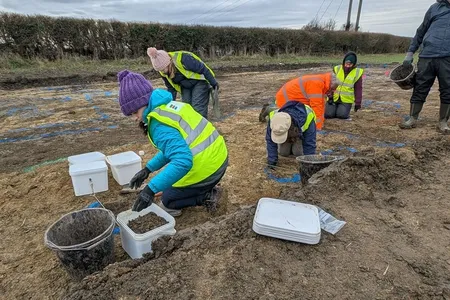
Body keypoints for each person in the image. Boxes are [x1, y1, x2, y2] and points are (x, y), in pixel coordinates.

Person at [117, 70, 228, 216]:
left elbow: (182, 161)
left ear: (143, 102)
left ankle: (207, 196)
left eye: (134, 112)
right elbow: (171, 149)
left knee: (168, 200)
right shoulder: (166, 107)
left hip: (208, 168)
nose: (134, 118)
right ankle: (202, 188)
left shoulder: (158, 125)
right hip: (217, 157)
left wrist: (150, 190)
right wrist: (148, 170)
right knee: (168, 183)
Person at [400, 0, 450, 134]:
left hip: (448, 58)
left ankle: (443, 121)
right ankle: (413, 118)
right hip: (427, 55)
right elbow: (421, 31)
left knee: (448, 89)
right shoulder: (435, 8)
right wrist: (410, 53)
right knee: (420, 86)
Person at [147, 47, 219, 119]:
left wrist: (214, 83)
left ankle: (202, 128)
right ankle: (191, 129)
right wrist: (170, 104)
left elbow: (203, 69)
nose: (162, 72)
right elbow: (171, 88)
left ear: (169, 63)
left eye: (163, 69)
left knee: (198, 108)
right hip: (184, 86)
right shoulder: (163, 72)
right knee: (186, 108)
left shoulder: (184, 59)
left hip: (199, 81)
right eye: (160, 70)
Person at [266, 101, 317, 169]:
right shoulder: (274, 119)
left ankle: (295, 142)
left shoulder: (308, 117)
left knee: (297, 152)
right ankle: (288, 142)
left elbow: (309, 142)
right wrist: (272, 161)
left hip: (301, 135)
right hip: (290, 131)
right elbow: (270, 140)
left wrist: (309, 163)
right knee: (283, 153)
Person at [325, 52, 364, 119]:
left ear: (354, 64)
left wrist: (358, 103)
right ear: (344, 62)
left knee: (342, 115)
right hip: (333, 98)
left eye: (350, 64)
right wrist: (330, 95)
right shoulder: (337, 69)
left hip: (346, 100)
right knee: (328, 115)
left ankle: (341, 110)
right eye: (346, 64)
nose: (347, 66)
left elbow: (358, 89)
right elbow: (330, 84)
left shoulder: (357, 73)